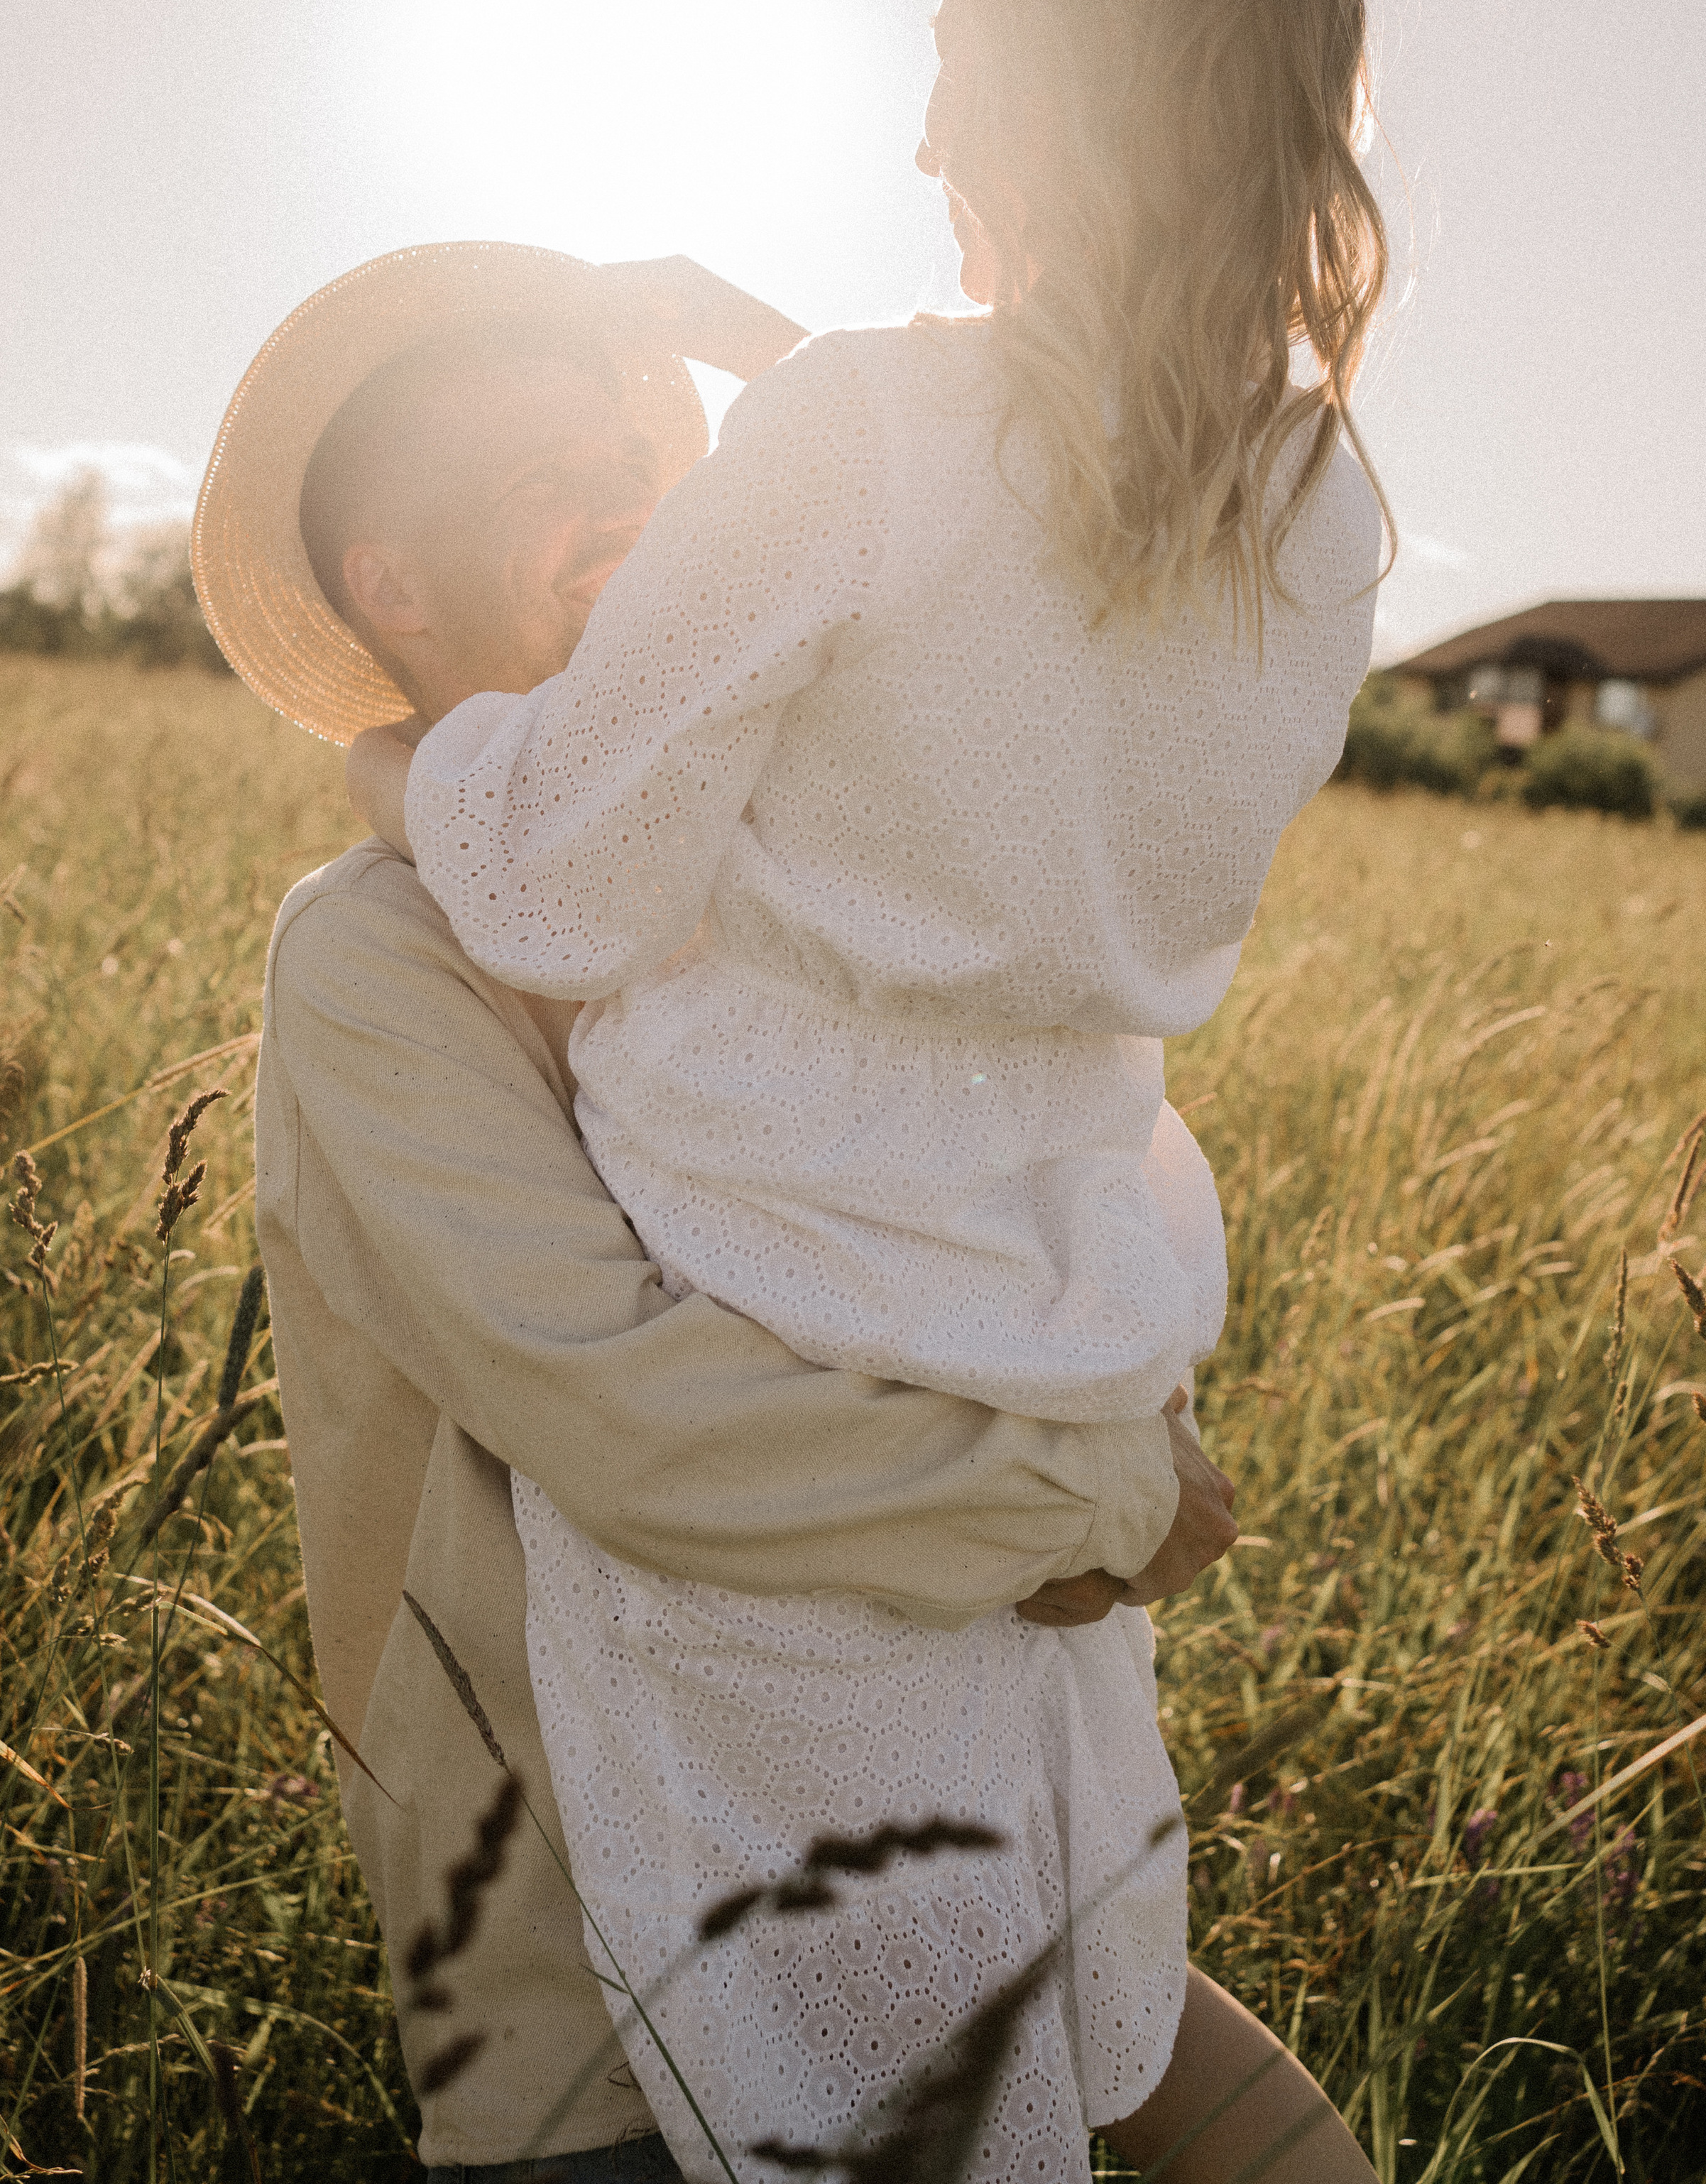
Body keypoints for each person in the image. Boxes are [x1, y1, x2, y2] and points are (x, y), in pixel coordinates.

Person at [351, 0, 1386, 2182]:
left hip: (787, 1296)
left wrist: (408, 761)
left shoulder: (857, 436)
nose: (923, 133)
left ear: (1063, 82)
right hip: (1069, 1299)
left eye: (955, 53)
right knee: (1050, 1988)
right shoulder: (1321, 503)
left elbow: (562, 890)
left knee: (864, 2078)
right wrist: (798, 363)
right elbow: (1023, 587)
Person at [193, 241, 1245, 2183]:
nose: (627, 511)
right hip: (596, 1959)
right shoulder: (375, 960)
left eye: (639, 470)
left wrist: (793, 358)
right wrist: (1088, 1494)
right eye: (548, 482)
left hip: (948, 1805)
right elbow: (626, 1412)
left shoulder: (778, 877)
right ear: (392, 588)